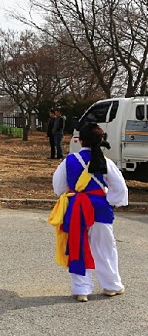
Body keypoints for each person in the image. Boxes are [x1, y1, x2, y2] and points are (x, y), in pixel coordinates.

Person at [49, 122, 128, 302]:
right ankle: (111, 286)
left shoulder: (68, 161)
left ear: (79, 140)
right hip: (100, 209)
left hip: (75, 208)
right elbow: (120, 189)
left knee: (77, 246)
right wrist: (110, 202)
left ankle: (81, 289)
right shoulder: (105, 162)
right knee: (105, 248)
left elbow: (59, 186)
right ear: (100, 140)